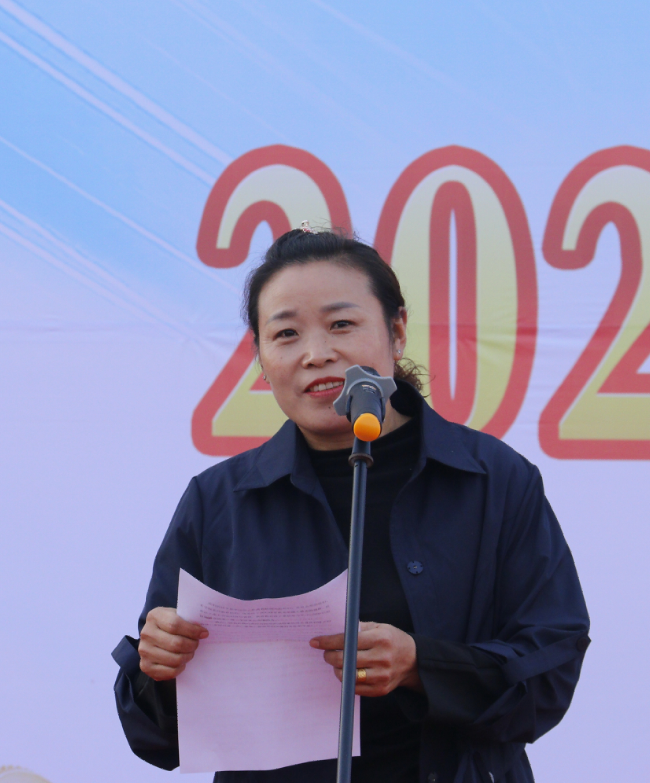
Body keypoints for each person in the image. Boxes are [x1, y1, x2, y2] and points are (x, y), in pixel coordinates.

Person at [113, 227, 590, 782]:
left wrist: (420, 666)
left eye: (341, 324)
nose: (317, 354)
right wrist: (158, 669)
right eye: (286, 334)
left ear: (397, 330)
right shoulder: (220, 501)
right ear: (261, 359)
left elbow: (550, 670)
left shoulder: (493, 480)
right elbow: (155, 737)